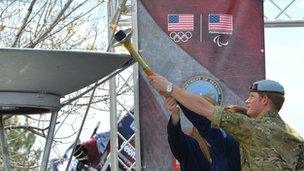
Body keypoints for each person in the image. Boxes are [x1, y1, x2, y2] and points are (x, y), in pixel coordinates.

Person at [149, 74, 304, 170]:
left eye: (252, 97)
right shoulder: (294, 136)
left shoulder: (253, 128)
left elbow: (206, 113)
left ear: (264, 100)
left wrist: (170, 88)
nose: (247, 101)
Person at [176, 95, 242, 171]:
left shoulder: (229, 139)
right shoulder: (191, 144)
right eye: (200, 113)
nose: (204, 118)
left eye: (207, 112)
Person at [165, 97, 211, 171]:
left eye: (211, 113)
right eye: (203, 113)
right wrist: (175, 114)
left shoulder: (226, 143)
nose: (207, 117)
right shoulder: (190, 145)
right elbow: (175, 137)